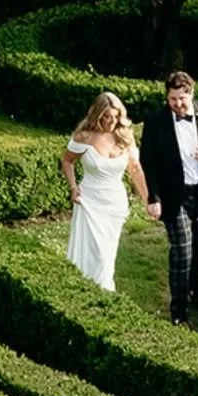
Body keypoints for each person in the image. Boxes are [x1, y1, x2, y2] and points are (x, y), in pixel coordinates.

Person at [141, 70, 198, 325]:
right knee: (181, 250)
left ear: (191, 93)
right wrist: (153, 197)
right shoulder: (156, 121)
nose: (178, 105)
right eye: (172, 100)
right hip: (174, 196)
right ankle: (178, 310)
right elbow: (148, 161)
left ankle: (195, 290)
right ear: (167, 98)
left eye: (182, 99)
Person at [60, 91, 151, 292]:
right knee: (94, 254)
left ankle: (104, 293)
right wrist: (73, 187)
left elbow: (135, 169)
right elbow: (67, 160)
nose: (111, 121)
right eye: (107, 117)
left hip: (114, 204)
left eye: (116, 116)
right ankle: (89, 290)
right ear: (97, 115)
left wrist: (147, 199)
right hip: (90, 201)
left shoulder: (125, 136)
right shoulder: (83, 137)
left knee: (107, 254)